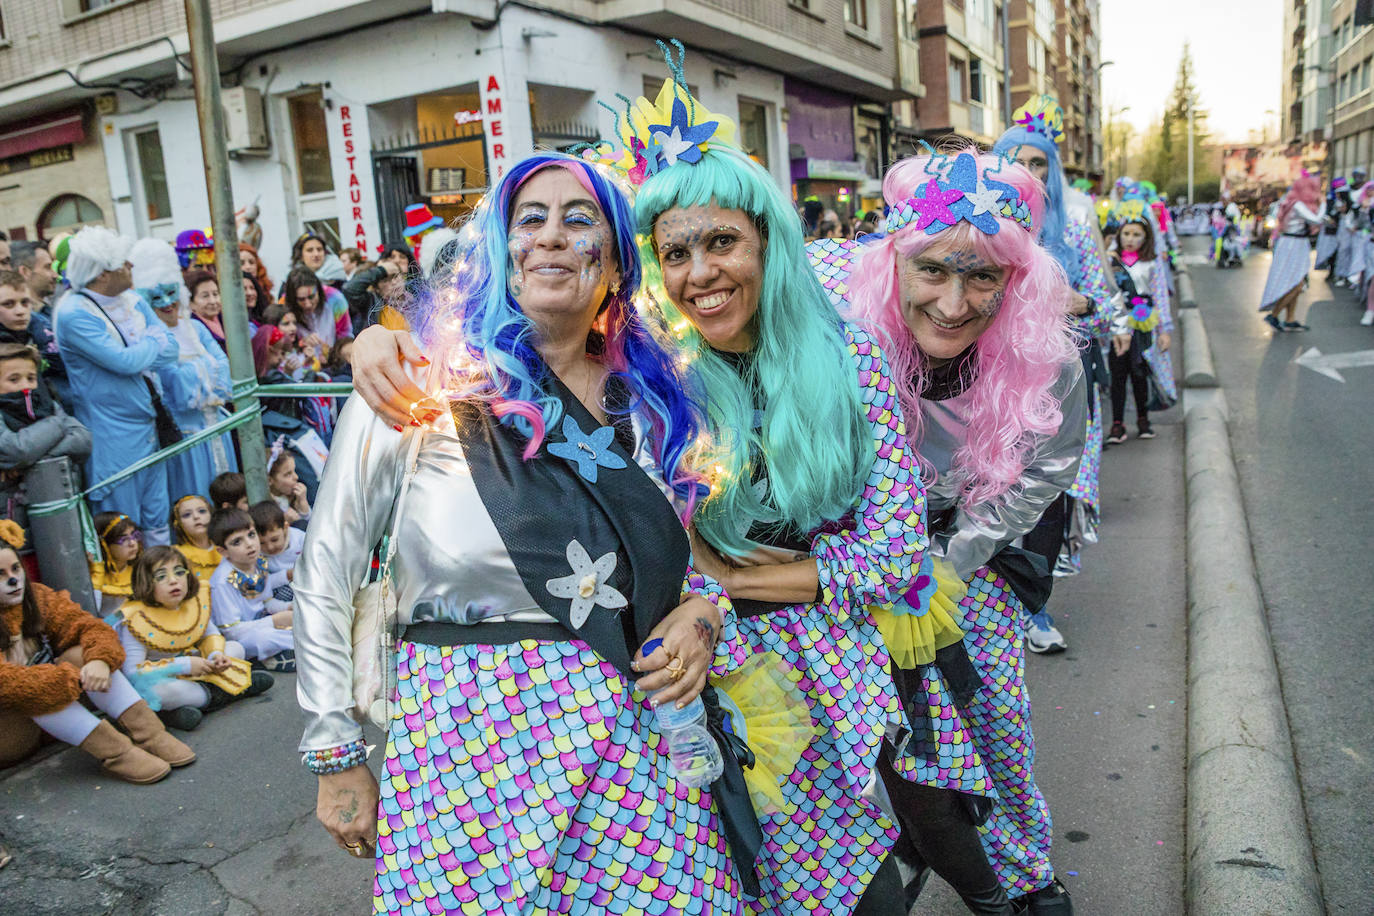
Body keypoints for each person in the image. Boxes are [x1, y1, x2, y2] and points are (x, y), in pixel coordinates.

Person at [296, 151, 749, 916]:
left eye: (580, 220)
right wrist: (335, 749)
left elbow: (693, 567)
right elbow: (328, 566)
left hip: (630, 738)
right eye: (528, 219)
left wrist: (703, 618)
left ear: (614, 262)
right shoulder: (416, 384)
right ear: (498, 251)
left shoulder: (660, 408)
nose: (550, 237)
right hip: (462, 749)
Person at [845, 148, 1086, 915]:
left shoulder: (1051, 362)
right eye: (935, 270)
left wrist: (952, 556)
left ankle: (1027, 875)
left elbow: (1046, 474)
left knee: (991, 723)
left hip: (976, 556)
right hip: (857, 565)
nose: (955, 302)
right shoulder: (844, 343)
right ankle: (920, 850)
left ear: (1015, 282)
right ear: (895, 268)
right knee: (890, 741)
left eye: (983, 275)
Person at [993, 95, 1125, 653]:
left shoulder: (1074, 227)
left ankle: (1035, 610)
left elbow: (1102, 300)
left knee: (1048, 499)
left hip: (1059, 388)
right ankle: (984, 607)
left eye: (1040, 161)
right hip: (990, 387)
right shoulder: (982, 223)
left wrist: (1081, 305)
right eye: (1018, 160)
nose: (1030, 171)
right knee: (988, 496)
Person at [0, 521, 195, 780]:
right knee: (37, 690)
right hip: (11, 731)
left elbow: (89, 626)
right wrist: (66, 679)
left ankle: (152, 735)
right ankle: (119, 754)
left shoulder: (36, 596)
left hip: (59, 708)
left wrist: (100, 660)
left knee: (83, 653)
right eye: (0, 574)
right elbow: (8, 683)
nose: (13, 579)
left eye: (15, 569)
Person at [54, 228, 179, 542]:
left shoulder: (134, 300)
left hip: (148, 427)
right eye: (124, 263)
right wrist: (152, 341)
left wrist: (143, 349)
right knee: (121, 530)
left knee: (157, 519)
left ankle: (160, 584)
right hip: (112, 437)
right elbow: (125, 362)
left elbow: (172, 349)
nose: (131, 267)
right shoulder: (73, 313)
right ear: (102, 274)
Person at [112, 545, 273, 731]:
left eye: (179, 572)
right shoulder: (136, 619)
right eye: (161, 576)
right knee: (161, 692)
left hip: (199, 667)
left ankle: (205, 700)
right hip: (166, 677)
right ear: (145, 582)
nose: (174, 581)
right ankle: (229, 691)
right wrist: (185, 665)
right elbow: (133, 672)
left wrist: (215, 656)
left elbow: (210, 634)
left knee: (235, 648)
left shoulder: (194, 601)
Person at [132, 241, 235, 501]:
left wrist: (196, 373)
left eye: (171, 293)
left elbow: (225, 370)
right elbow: (177, 388)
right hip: (186, 441)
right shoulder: (149, 339)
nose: (167, 302)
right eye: (157, 297)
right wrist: (206, 370)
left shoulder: (197, 329)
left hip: (218, 432)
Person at [0, 343, 90, 549]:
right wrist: (57, 424)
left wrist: (33, 459)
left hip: (58, 519)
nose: (26, 386)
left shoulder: (46, 405)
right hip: (11, 527)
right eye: (14, 379)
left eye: (31, 378)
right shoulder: (54, 416)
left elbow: (82, 439)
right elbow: (16, 450)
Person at [1104, 203, 1173, 445]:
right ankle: (1117, 423)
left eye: (1136, 235)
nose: (1130, 239)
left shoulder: (1152, 263)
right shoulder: (1109, 262)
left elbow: (1161, 296)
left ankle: (1143, 419)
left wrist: (1164, 330)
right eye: (1126, 234)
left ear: (1146, 237)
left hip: (1144, 325)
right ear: (1119, 235)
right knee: (1118, 375)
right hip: (1117, 325)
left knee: (1140, 373)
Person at [208, 507, 294, 669]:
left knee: (301, 619)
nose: (249, 544)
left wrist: (288, 608)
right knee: (263, 637)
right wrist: (274, 621)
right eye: (237, 542)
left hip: (262, 623)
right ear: (223, 551)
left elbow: (266, 602)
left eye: (251, 535)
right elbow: (230, 631)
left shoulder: (259, 563)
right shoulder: (222, 582)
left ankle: (284, 654)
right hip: (240, 639)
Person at [1259, 172, 1325, 332]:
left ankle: (1290, 318)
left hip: (1295, 243)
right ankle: (1274, 315)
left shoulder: (1292, 202)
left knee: (1296, 280)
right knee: (1297, 283)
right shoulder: (1297, 204)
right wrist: (1324, 204)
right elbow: (1316, 220)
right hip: (1293, 243)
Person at [282, 266, 352, 363]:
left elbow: (346, 335)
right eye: (301, 299)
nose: (308, 304)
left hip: (334, 360)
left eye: (311, 297)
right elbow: (282, 344)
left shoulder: (336, 299)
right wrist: (302, 343)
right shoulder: (284, 305)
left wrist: (333, 354)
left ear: (319, 290)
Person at [249, 500, 302, 611]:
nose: (270, 547)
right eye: (262, 543)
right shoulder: (255, 555)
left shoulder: (300, 539)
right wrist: (287, 575)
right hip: (279, 594)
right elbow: (261, 586)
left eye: (274, 539)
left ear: (285, 527)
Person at [91, 512, 143, 615]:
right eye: (123, 539)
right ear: (104, 544)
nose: (132, 543)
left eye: (134, 535)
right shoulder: (94, 576)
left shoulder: (141, 570)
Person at [170, 494, 220, 590]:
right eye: (187, 515)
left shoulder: (225, 549)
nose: (196, 517)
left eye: (202, 511)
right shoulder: (175, 555)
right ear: (178, 524)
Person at [11, 241, 61, 313]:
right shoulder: (24, 319)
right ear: (25, 272)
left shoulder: (44, 310)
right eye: (47, 267)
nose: (55, 275)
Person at [267, 447, 310, 525]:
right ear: (270, 480)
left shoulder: (295, 497)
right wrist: (284, 522)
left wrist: (303, 502)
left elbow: (311, 526)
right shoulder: (268, 507)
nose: (296, 477)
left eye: (294, 471)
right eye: (288, 474)